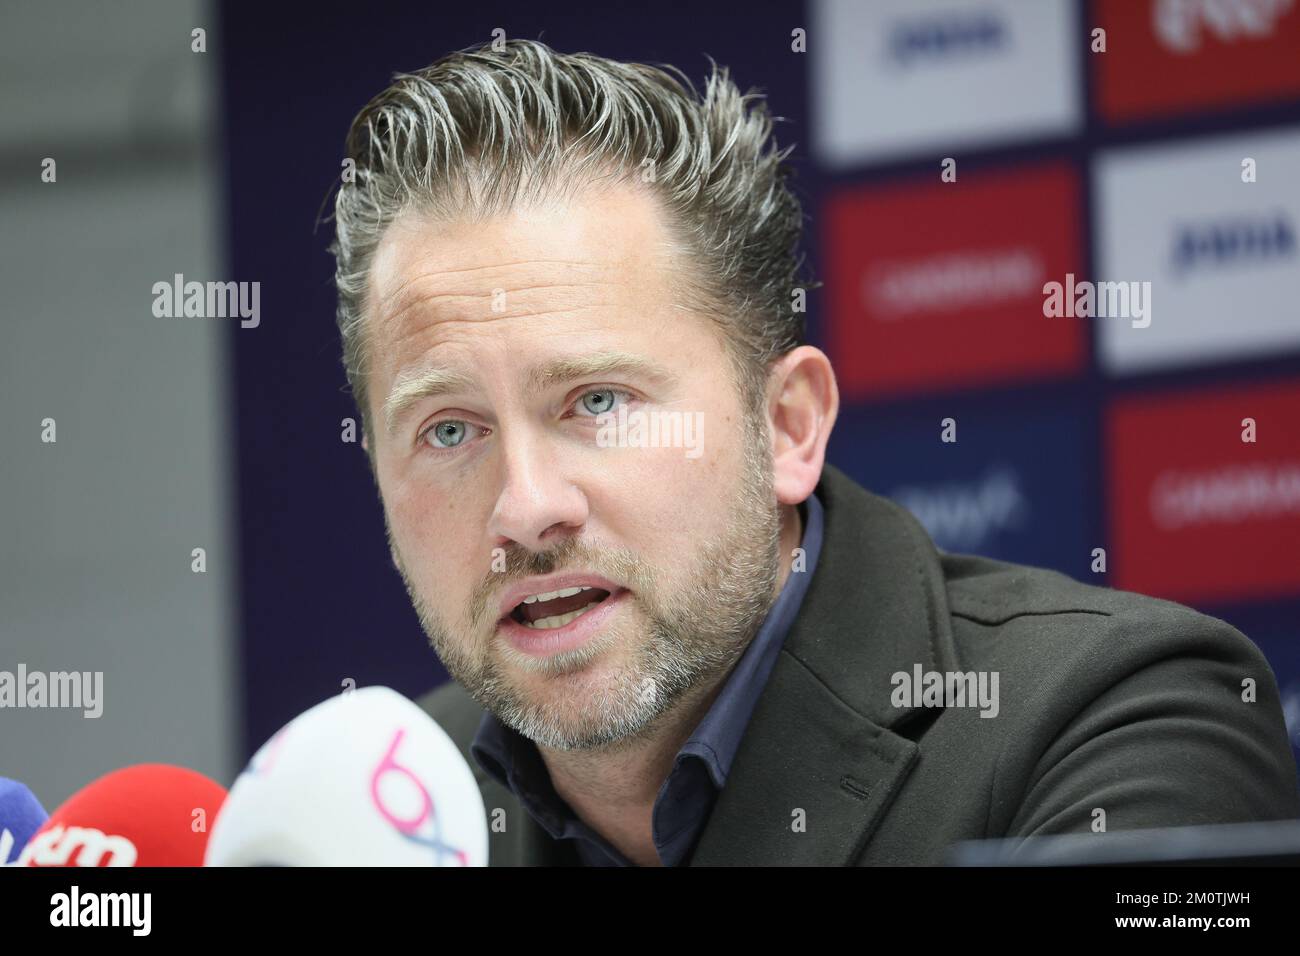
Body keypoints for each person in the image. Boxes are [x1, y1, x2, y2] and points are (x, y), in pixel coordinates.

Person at [327, 39, 1300, 866]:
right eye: (448, 430)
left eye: (595, 402)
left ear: (787, 424)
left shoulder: (1120, 716)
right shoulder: (373, 815)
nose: (525, 506)